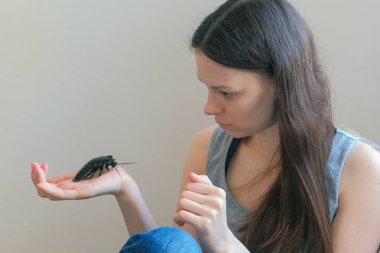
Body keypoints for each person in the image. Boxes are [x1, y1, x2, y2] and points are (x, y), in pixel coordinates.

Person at [31, 0, 380, 252]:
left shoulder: (358, 168)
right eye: (207, 87)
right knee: (170, 243)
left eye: (226, 92)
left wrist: (225, 243)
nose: (209, 107)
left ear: (281, 84)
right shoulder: (210, 146)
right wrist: (126, 191)